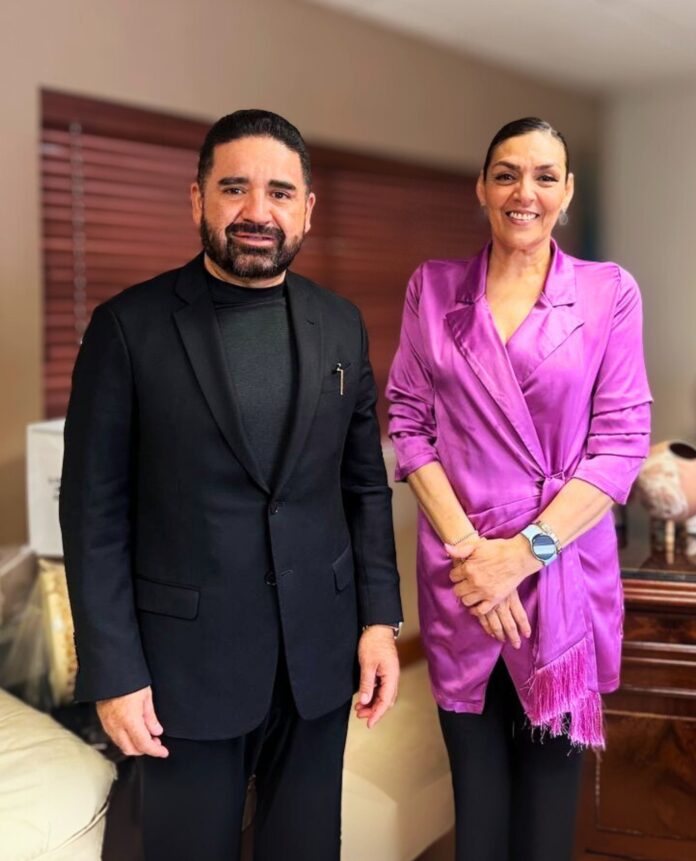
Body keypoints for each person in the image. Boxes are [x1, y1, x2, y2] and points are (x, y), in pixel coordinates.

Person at [59, 109, 402, 861]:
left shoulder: (340, 325)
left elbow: (364, 487)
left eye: (280, 192)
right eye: (234, 188)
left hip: (318, 659)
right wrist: (113, 672)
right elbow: (92, 515)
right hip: (182, 672)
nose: (257, 211)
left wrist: (380, 619)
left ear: (307, 209)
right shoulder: (127, 329)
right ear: (198, 199)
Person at [386, 117, 651, 861]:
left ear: (567, 192)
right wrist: (476, 556)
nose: (522, 192)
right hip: (464, 578)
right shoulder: (433, 288)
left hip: (560, 572)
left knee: (545, 821)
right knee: (478, 813)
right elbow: (408, 422)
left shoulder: (607, 293)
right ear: (481, 188)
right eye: (505, 174)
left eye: (543, 176)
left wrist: (522, 555)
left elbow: (620, 443)